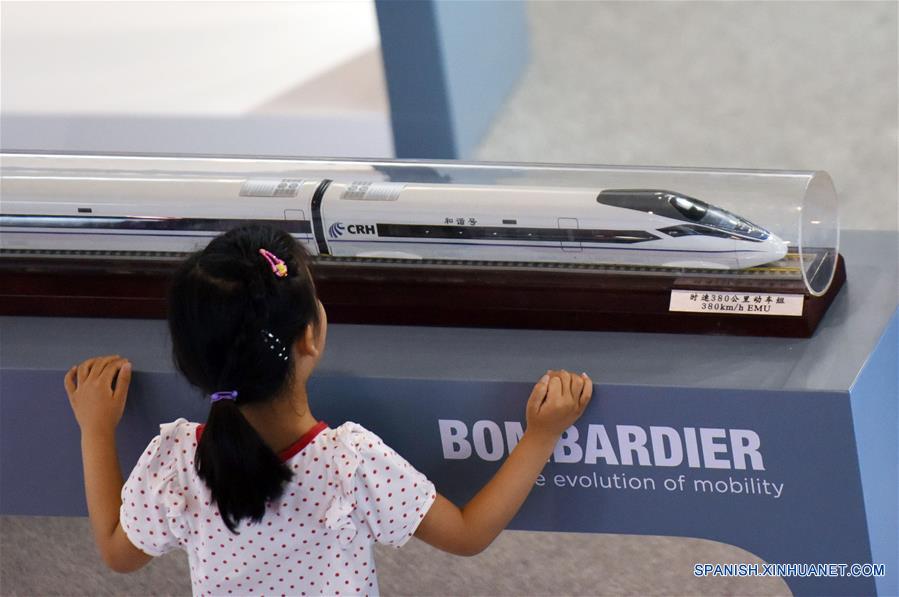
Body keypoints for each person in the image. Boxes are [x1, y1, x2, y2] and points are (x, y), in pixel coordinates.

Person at [64, 224, 593, 596]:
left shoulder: (177, 460)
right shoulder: (349, 462)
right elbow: (468, 534)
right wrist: (542, 433)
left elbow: (117, 550)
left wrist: (95, 429)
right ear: (310, 337)